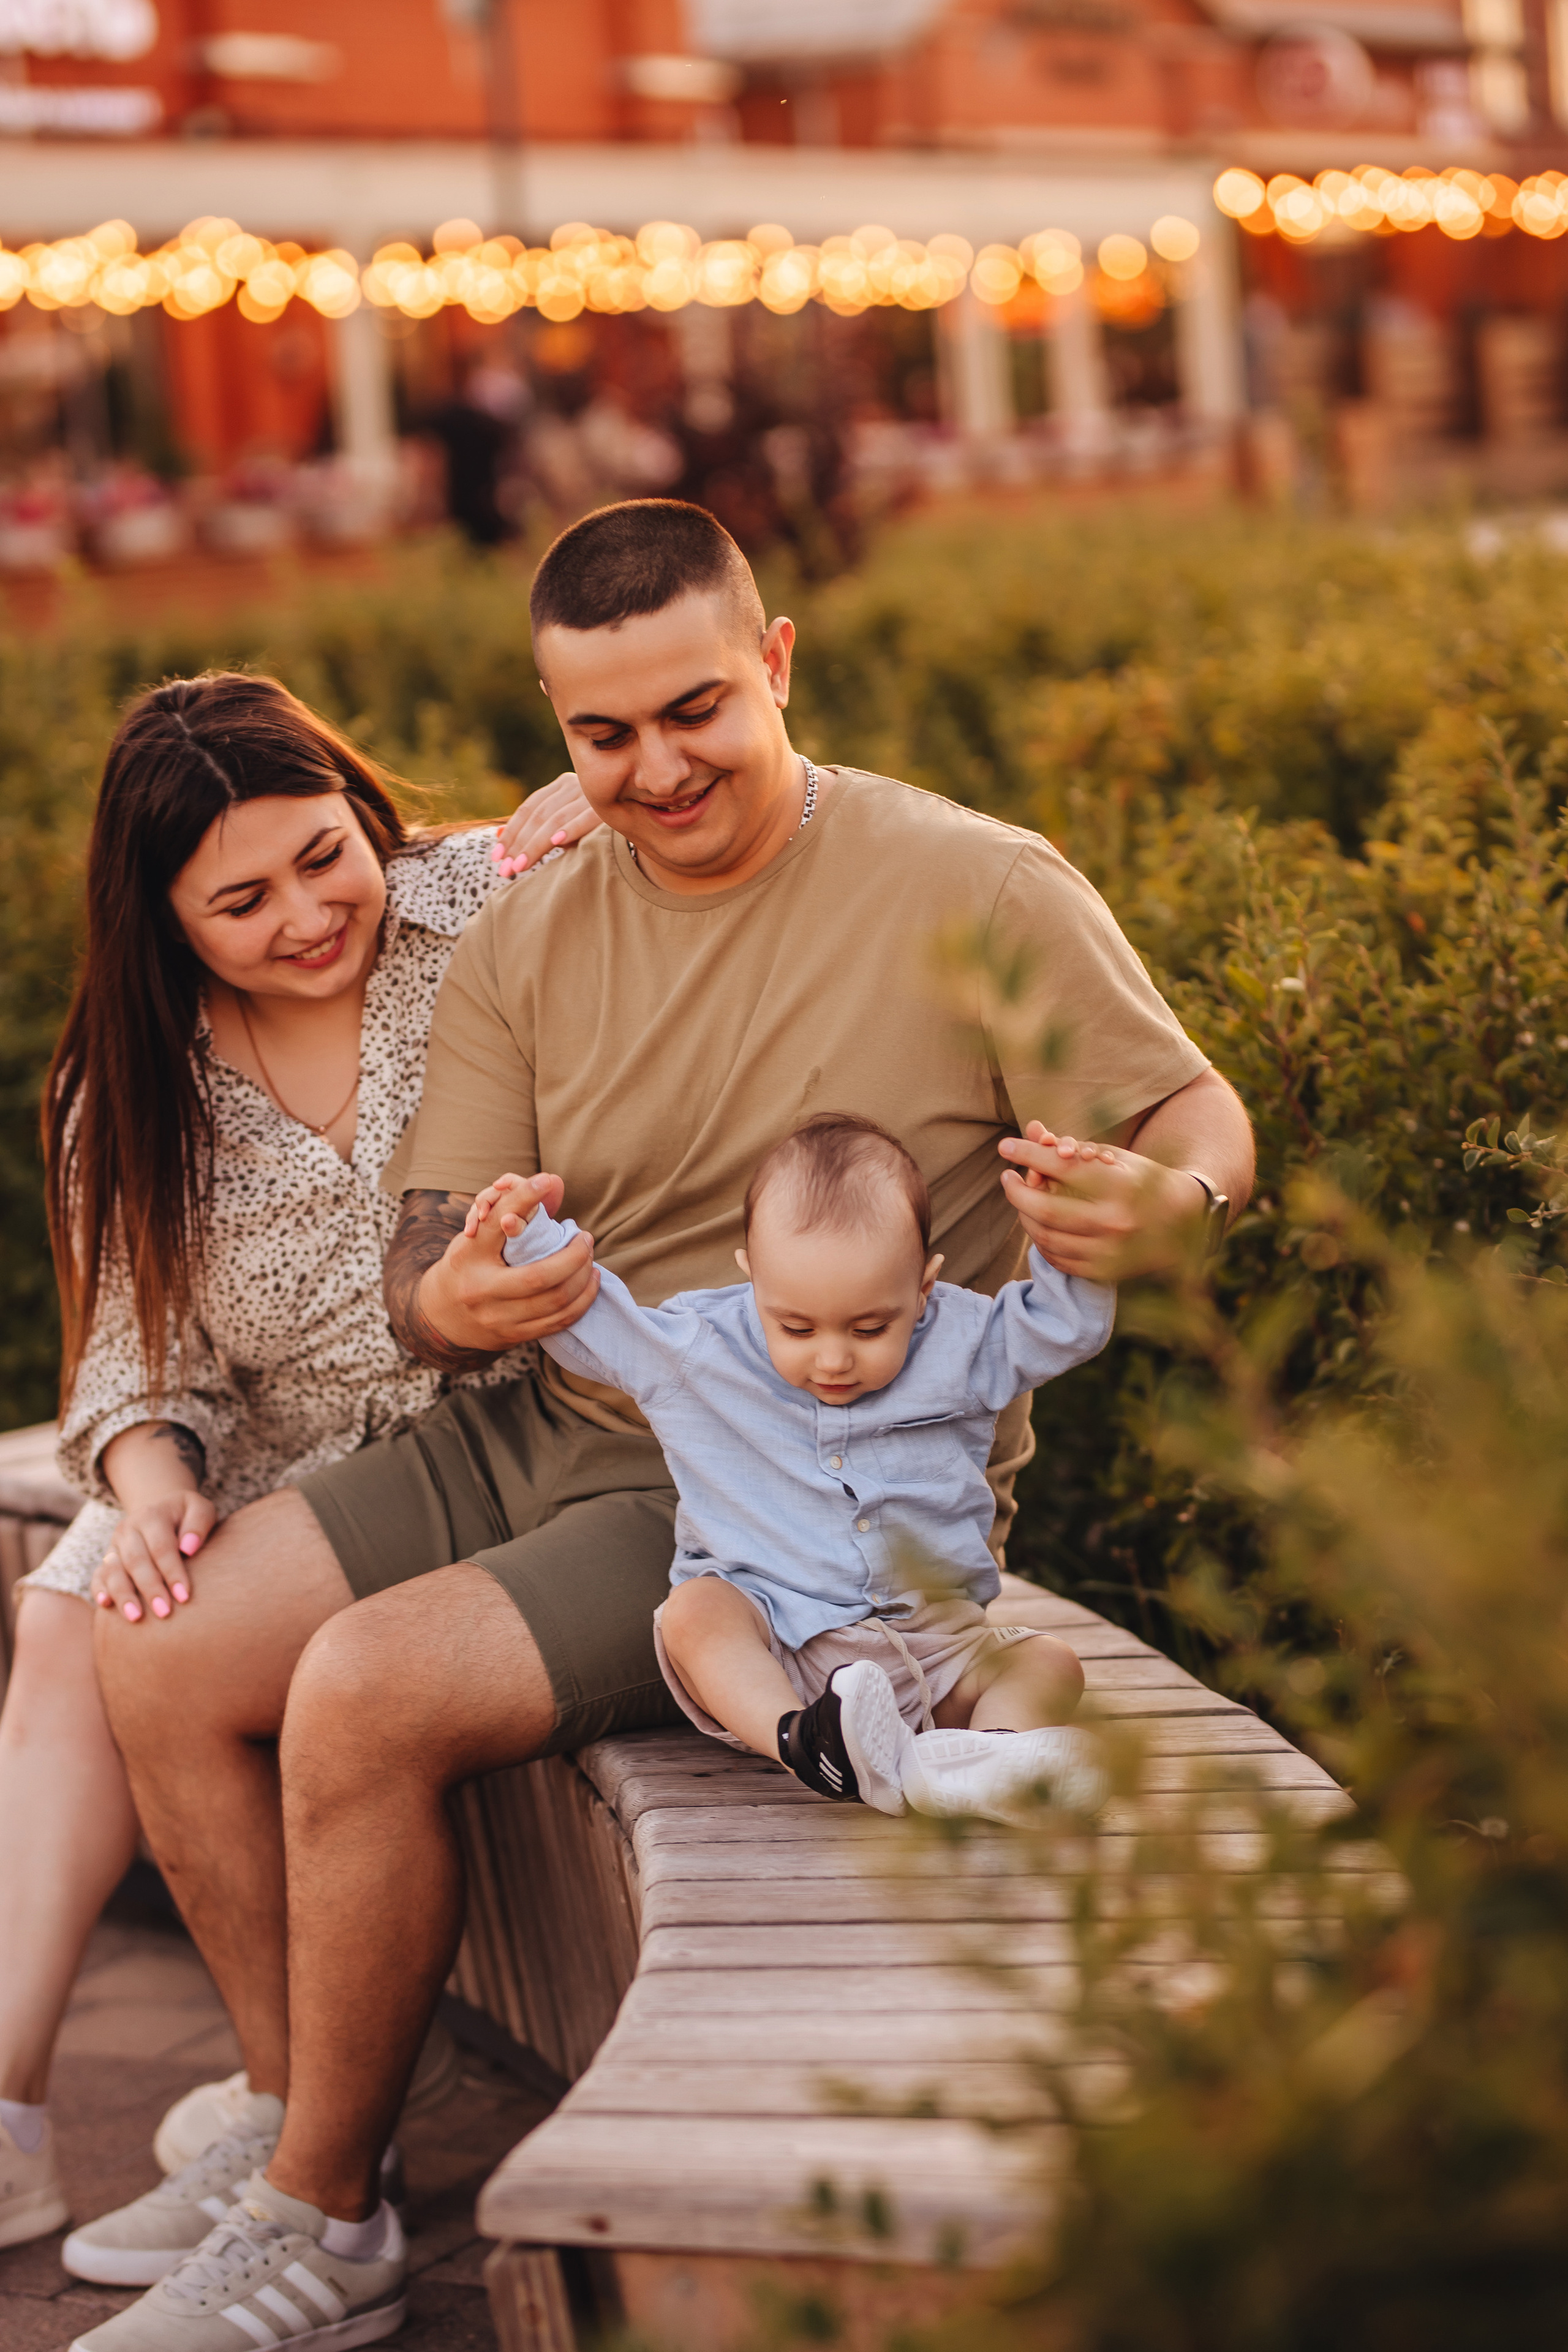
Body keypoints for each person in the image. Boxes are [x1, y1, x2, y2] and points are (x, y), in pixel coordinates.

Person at [77, 499, 1254, 2352]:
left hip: (786, 1485)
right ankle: (312, 2125)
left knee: (364, 1686)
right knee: (154, 1660)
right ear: (554, 722)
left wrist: (1168, 1203)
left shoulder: (972, 880)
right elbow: (417, 1258)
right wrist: (454, 1293)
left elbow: (1196, 1113)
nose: (654, 767)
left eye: (693, 708)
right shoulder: (531, 940)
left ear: (774, 659)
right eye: (599, 733)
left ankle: (324, 2215)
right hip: (545, 1407)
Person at [0, 670, 598, 2265]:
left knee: (102, 1625)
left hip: (510, 1422)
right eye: (241, 901)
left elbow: (715, 817)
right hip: (270, 1460)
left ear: (359, 807)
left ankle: (275, 2132)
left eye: (325, 855)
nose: (308, 916)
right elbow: (138, 1367)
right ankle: (261, 2118)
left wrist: (594, 792)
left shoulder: (473, 905)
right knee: (102, 1592)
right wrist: (144, 1485)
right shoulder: (129, 1091)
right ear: (164, 919)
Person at [476, 1113, 1113, 1823]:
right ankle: (806, 1744)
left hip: (935, 1652)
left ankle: (986, 1760)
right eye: (797, 1327)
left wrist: (1068, 1224)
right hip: (780, 1647)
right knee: (694, 1613)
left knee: (1049, 1662)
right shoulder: (703, 1348)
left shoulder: (965, 1343)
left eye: (872, 1328)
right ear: (753, 1281)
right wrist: (529, 1236)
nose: (833, 1358)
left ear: (925, 1287)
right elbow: (596, 1325)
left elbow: (1065, 1326)